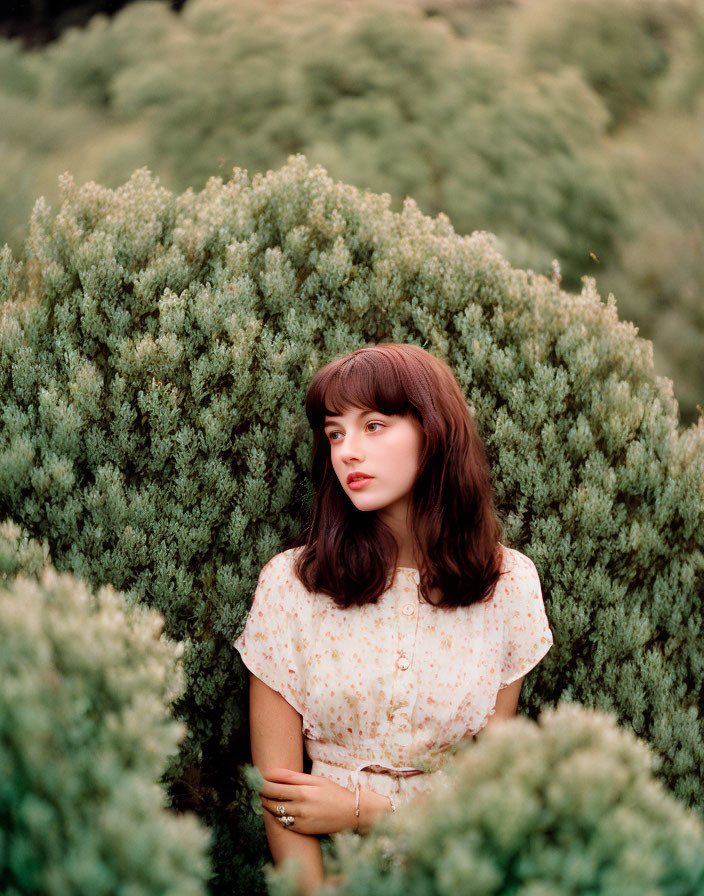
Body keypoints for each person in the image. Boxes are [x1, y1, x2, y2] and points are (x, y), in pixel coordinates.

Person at [235, 343, 554, 893]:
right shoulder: (292, 585)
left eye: (374, 426)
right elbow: (281, 794)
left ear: (433, 431)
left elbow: (488, 797)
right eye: (335, 433)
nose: (348, 452)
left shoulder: (510, 588)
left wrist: (364, 810)